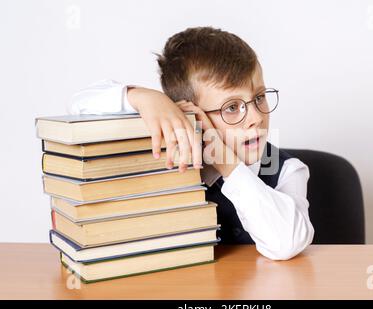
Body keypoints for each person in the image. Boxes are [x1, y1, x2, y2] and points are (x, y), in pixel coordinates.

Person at [69, 26, 314, 260]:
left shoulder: (285, 170)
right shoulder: (169, 145)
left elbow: (286, 243)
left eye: (259, 97)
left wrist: (227, 164)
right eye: (231, 107)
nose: (256, 118)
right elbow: (77, 106)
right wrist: (144, 98)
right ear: (192, 115)